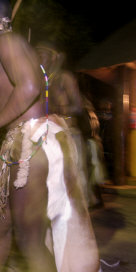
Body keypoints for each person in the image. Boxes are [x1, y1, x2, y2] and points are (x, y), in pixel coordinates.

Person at [0, 1, 103, 272]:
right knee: (1, 230)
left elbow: (29, 87)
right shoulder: (6, 46)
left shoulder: (5, 42)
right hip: (29, 137)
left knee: (29, 240)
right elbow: (22, 103)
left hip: (31, 147)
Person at [35, 41, 106, 208]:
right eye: (36, 54)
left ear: (53, 57)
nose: (39, 58)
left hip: (69, 135)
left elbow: (78, 106)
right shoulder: (43, 81)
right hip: (50, 135)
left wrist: (57, 110)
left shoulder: (64, 78)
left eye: (42, 54)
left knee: (73, 183)